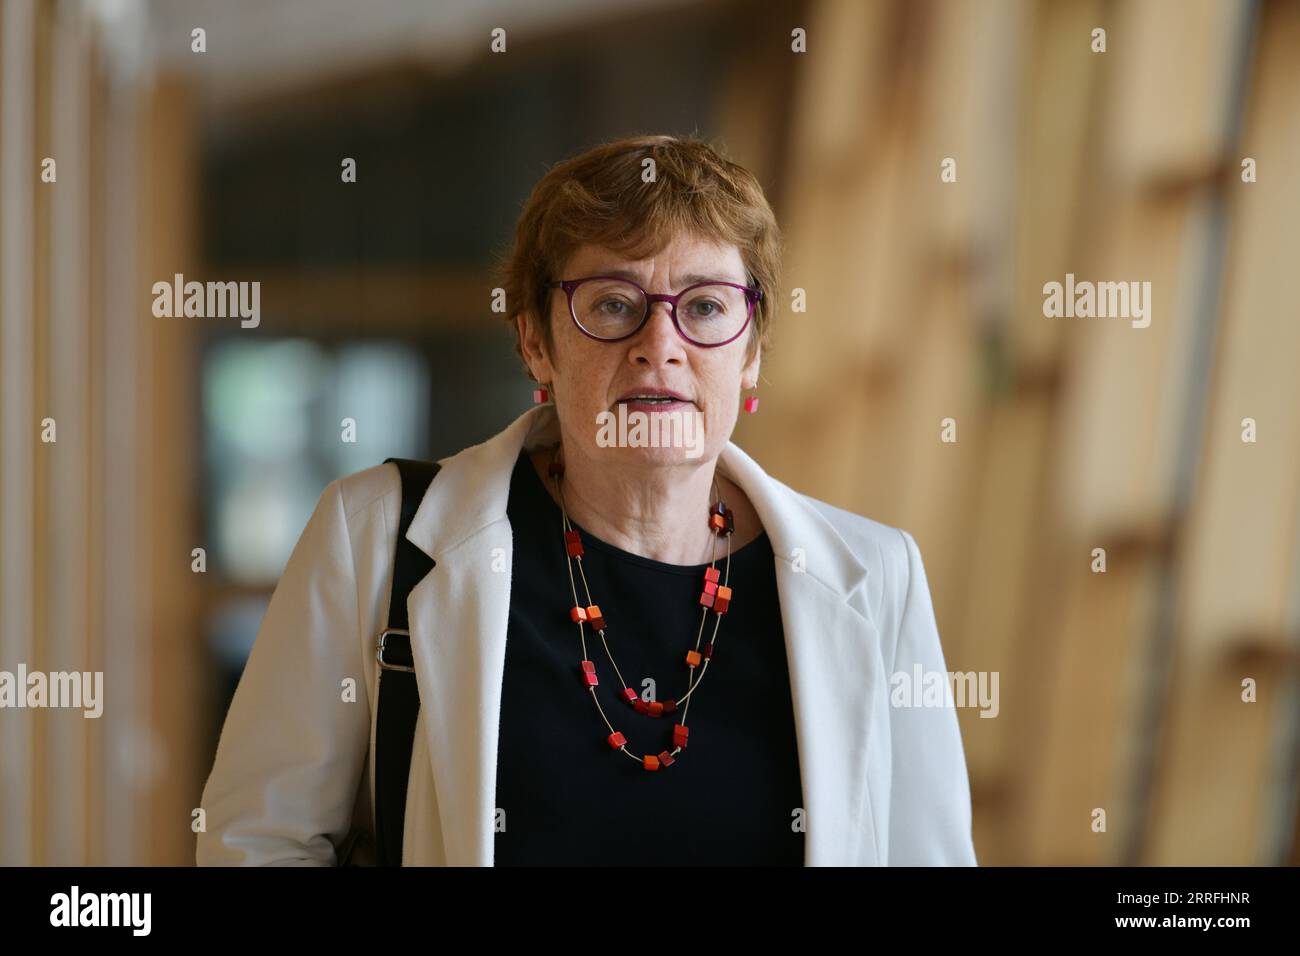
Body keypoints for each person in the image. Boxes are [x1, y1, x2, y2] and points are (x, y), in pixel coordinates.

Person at [196, 134, 977, 866]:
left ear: (753, 352)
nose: (660, 344)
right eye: (612, 303)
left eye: (705, 307)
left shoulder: (876, 579)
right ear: (535, 337)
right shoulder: (376, 535)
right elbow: (259, 843)